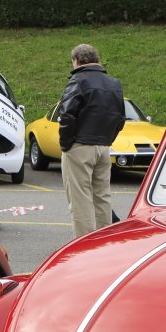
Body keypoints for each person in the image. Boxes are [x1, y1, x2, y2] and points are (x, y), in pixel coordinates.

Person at [57, 43, 125, 240]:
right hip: (103, 147)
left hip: (79, 146)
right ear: (96, 59)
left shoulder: (78, 80)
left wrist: (66, 144)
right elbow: (120, 118)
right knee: (102, 198)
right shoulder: (114, 83)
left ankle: (85, 244)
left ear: (76, 60)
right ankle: (105, 241)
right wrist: (107, 140)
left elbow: (67, 115)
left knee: (80, 200)